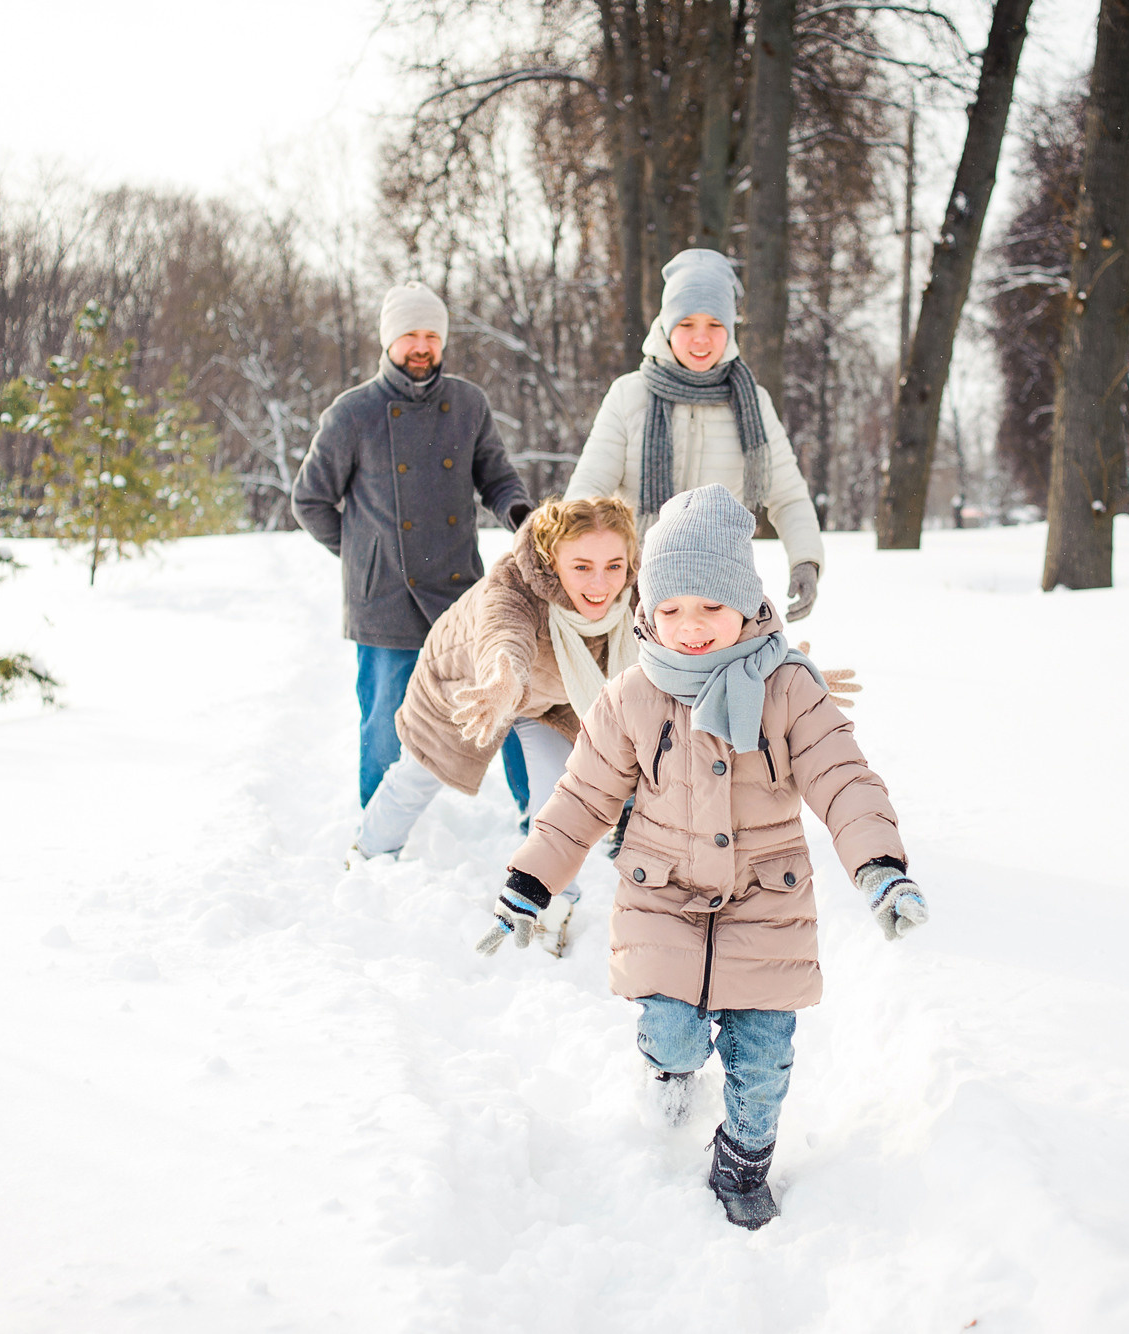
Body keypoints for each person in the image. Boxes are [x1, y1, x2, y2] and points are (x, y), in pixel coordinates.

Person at [477, 484, 928, 1230]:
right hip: (661, 894)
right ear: (647, 611)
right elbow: (583, 798)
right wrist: (530, 882)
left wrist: (880, 866)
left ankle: (743, 1161)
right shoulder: (631, 696)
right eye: (672, 609)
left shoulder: (788, 691)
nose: (690, 628)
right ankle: (670, 1070)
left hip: (766, 900)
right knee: (671, 1028)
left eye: (711, 609)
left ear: (748, 607)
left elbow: (843, 778)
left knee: (764, 1058)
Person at [352, 495, 642, 954]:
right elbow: (502, 633)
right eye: (582, 567)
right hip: (469, 684)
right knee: (422, 773)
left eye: (614, 566)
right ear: (551, 560)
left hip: (552, 696)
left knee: (560, 792)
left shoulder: (636, 591)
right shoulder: (514, 583)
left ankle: (552, 901)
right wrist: (503, 677)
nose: (601, 582)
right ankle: (367, 851)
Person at [292, 281, 531, 808]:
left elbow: (497, 478)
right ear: (388, 341)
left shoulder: (469, 404)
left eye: (431, 335)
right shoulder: (352, 413)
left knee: (509, 701)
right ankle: (379, 827)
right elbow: (309, 500)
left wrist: (519, 513)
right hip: (384, 599)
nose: (421, 346)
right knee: (384, 718)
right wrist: (366, 557)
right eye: (409, 335)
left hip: (459, 591)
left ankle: (536, 814)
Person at [565, 247, 826, 622]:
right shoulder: (630, 394)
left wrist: (806, 560)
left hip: (718, 593)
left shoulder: (752, 402)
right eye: (687, 324)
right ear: (666, 326)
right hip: (637, 585)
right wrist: (572, 560)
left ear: (731, 330)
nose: (701, 339)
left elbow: (787, 495)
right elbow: (589, 492)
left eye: (715, 325)